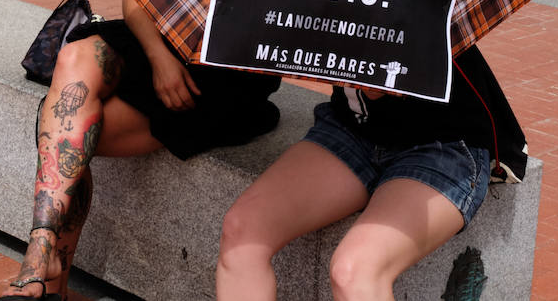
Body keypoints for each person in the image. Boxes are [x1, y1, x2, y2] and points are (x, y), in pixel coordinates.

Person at [0, 0, 282, 300]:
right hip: (155, 41)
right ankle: (41, 245)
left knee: (70, 133)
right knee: (74, 59)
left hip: (219, 68)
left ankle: (48, 284)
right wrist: (159, 56)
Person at [215, 45, 526, 301]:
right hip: (352, 129)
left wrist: (398, 70)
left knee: (354, 271)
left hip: (443, 143)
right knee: (242, 229)